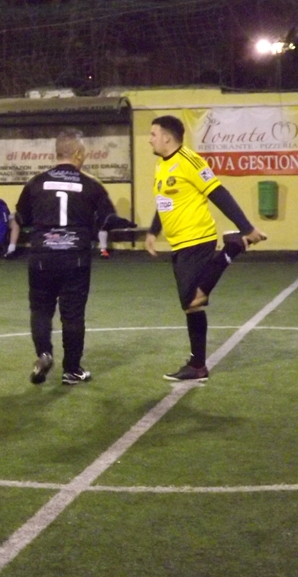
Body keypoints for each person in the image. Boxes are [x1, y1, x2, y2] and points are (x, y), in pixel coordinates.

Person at [144, 115, 267, 382]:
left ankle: (232, 248)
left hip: (197, 239)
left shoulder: (190, 161)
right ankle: (198, 366)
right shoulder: (161, 165)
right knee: (192, 306)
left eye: (153, 134)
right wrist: (154, 231)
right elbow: (164, 201)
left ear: (167, 137)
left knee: (193, 300)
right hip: (180, 243)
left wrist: (246, 227)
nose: (150, 139)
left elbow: (218, 192)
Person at [16, 128, 123, 386]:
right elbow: (108, 219)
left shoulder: (36, 182)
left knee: (41, 310)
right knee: (73, 315)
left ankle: (44, 353)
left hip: (42, 256)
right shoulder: (91, 184)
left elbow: (21, 218)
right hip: (75, 257)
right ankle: (72, 369)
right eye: (83, 151)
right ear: (77, 153)